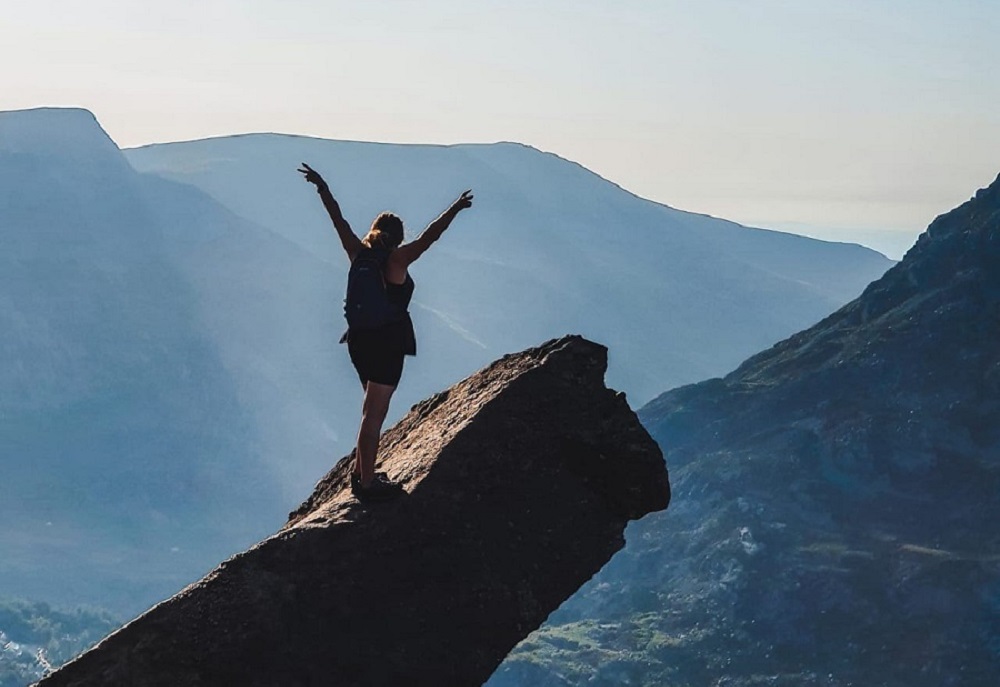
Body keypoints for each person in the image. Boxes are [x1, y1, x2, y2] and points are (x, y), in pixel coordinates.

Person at [298, 162, 473, 501]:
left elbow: (338, 220)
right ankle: (365, 484)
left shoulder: (357, 253)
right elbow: (430, 237)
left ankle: (362, 470)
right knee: (374, 414)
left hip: (358, 340)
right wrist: (455, 208)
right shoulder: (398, 260)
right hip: (386, 344)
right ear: (398, 237)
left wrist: (322, 187)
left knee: (370, 409)